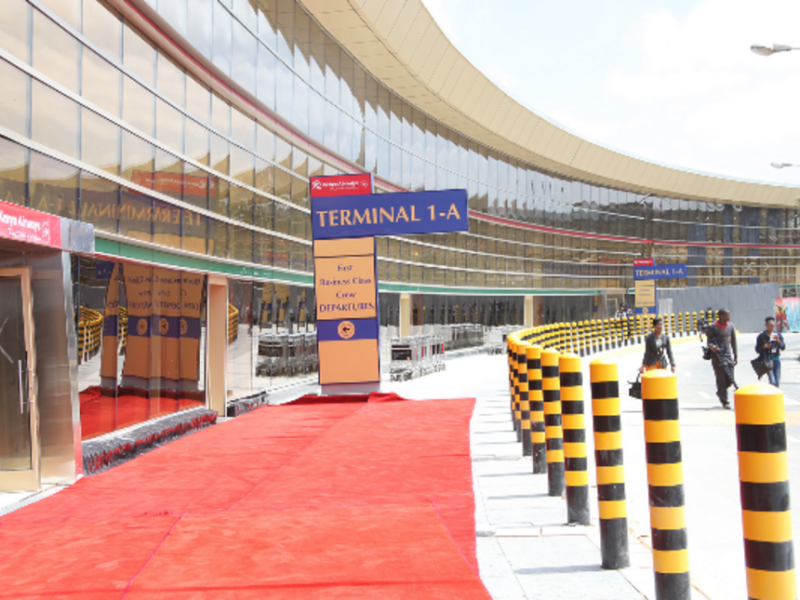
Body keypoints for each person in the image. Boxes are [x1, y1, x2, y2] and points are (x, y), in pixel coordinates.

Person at [706, 308, 738, 409]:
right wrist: (712, 347)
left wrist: (735, 355)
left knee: (730, 378)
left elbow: (733, 341)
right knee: (721, 379)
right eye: (727, 315)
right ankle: (725, 401)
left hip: (728, 355)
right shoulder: (713, 327)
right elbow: (709, 342)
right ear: (721, 316)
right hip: (717, 357)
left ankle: (720, 391)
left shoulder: (731, 326)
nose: (729, 317)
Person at [755, 316, 785, 387]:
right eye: (770, 326)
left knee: (777, 382)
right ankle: (771, 395)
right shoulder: (762, 336)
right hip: (767, 361)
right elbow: (757, 349)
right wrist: (764, 347)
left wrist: (778, 341)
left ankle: (775, 397)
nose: (771, 328)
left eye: (773, 326)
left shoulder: (778, 335)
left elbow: (783, 347)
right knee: (772, 380)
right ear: (766, 326)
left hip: (776, 360)